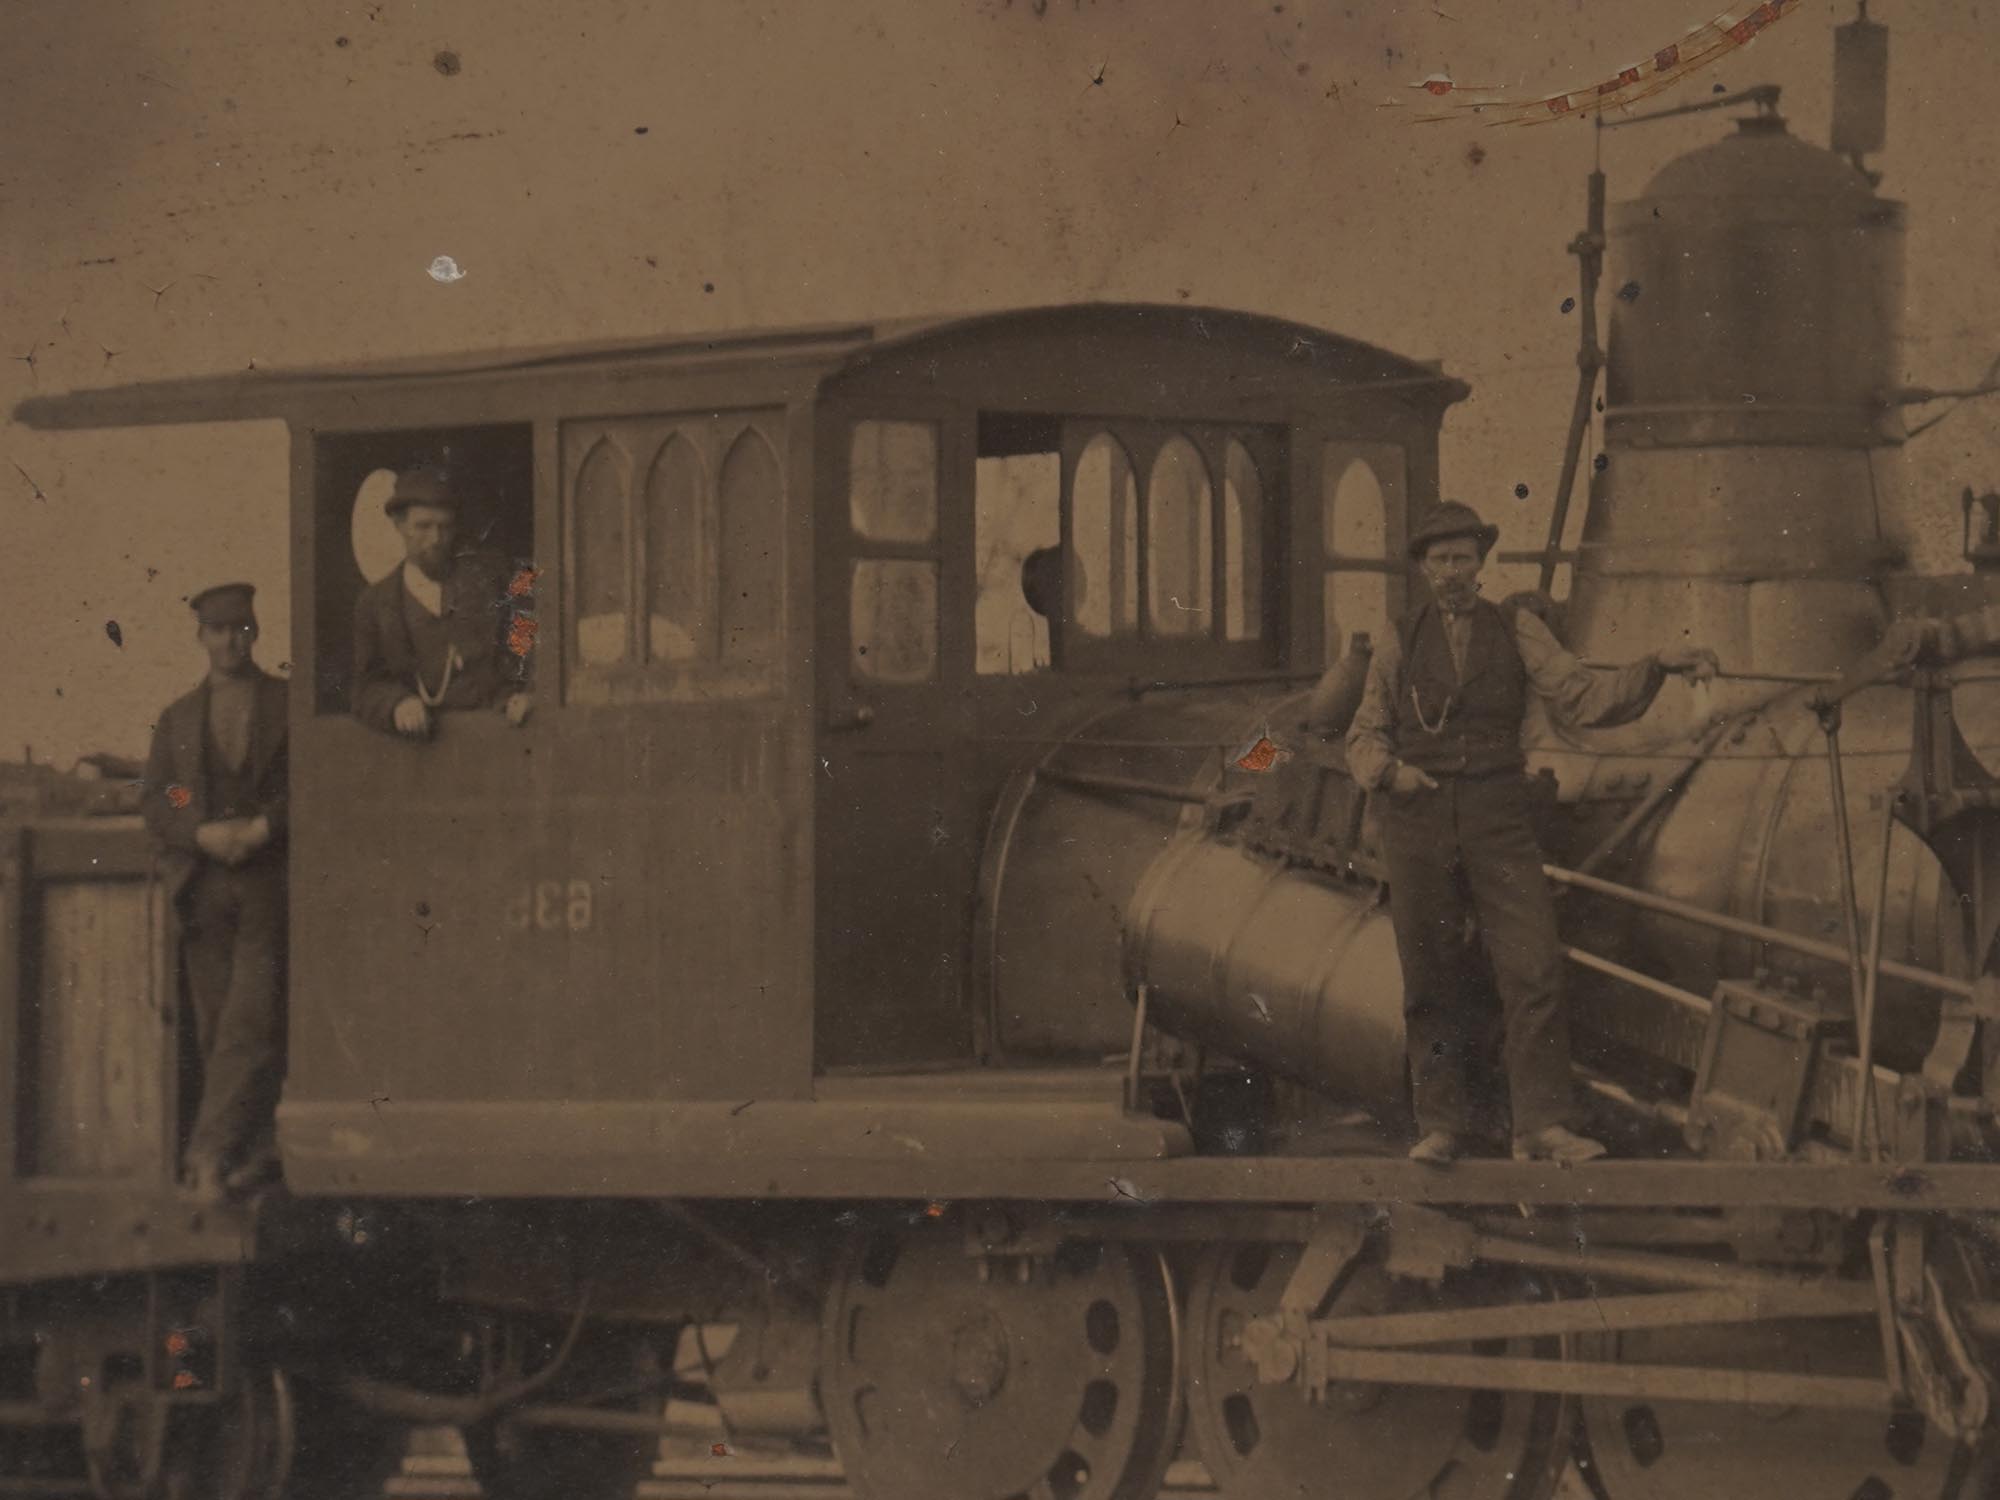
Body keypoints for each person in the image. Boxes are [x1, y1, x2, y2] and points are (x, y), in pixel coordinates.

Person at [1346, 501, 1718, 1166]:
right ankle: (1441, 1126)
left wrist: (1656, 663)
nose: (1453, 571)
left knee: (1533, 967)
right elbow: (1365, 731)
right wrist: (1389, 774)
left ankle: (1540, 1127)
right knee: (1429, 980)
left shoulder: (1517, 629)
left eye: (1463, 557)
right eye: (1440, 559)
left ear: (1481, 562)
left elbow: (1585, 697)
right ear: (1424, 568)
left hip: (1498, 816)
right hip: (1418, 821)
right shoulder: (1399, 637)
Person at [142, 583, 289, 1203]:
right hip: (204, 888)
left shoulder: (286, 704)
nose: (231, 641)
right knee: (214, 1030)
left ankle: (205, 1158)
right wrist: (199, 827)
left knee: (249, 1022)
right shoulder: (179, 719)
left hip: (264, 883)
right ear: (201, 638)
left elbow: (308, 783)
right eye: (219, 631)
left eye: (241, 628)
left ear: (255, 632)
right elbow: (164, 796)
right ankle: (250, 1154)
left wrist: (263, 826)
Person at [351, 465, 533, 739]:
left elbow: (529, 642)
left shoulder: (491, 583)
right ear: (399, 525)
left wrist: (529, 692)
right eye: (422, 527)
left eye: (444, 527)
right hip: (423, 752)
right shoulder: (375, 604)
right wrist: (397, 704)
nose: (436, 539)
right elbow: (365, 686)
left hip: (499, 734)